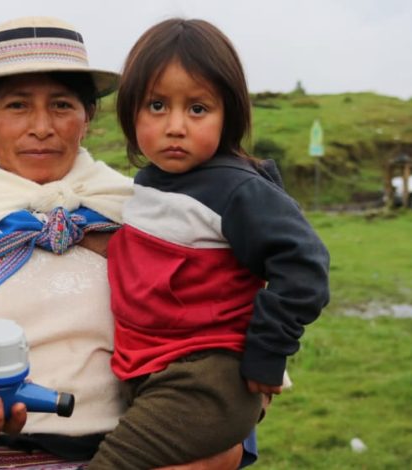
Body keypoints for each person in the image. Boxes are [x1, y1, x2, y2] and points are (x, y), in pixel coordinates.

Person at [0, 17, 258, 470]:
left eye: (61, 105)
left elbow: (211, 333)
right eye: (17, 106)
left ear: (87, 116)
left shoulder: (144, 213)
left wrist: (232, 440)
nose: (41, 126)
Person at [89, 18, 331, 469]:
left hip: (205, 376)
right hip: (152, 371)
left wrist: (267, 351)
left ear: (229, 115)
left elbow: (305, 265)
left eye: (197, 109)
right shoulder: (150, 184)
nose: (175, 126)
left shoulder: (236, 190)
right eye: (157, 106)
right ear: (131, 112)